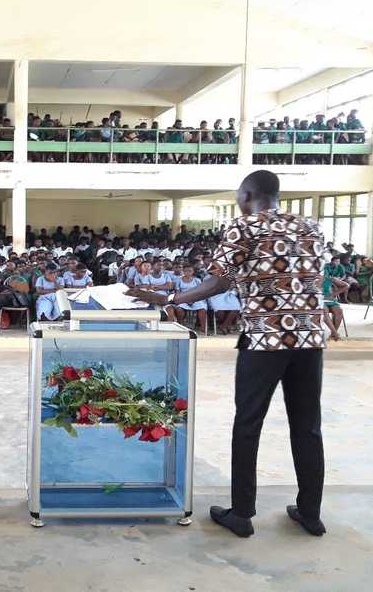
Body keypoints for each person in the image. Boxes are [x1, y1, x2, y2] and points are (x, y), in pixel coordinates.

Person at [128, 170, 328, 537]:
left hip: (265, 339)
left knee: (248, 424)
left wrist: (171, 298)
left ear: (248, 194)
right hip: (310, 340)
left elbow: (218, 281)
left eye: (239, 195)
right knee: (308, 427)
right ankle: (311, 513)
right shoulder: (311, 227)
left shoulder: (244, 226)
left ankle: (242, 513)